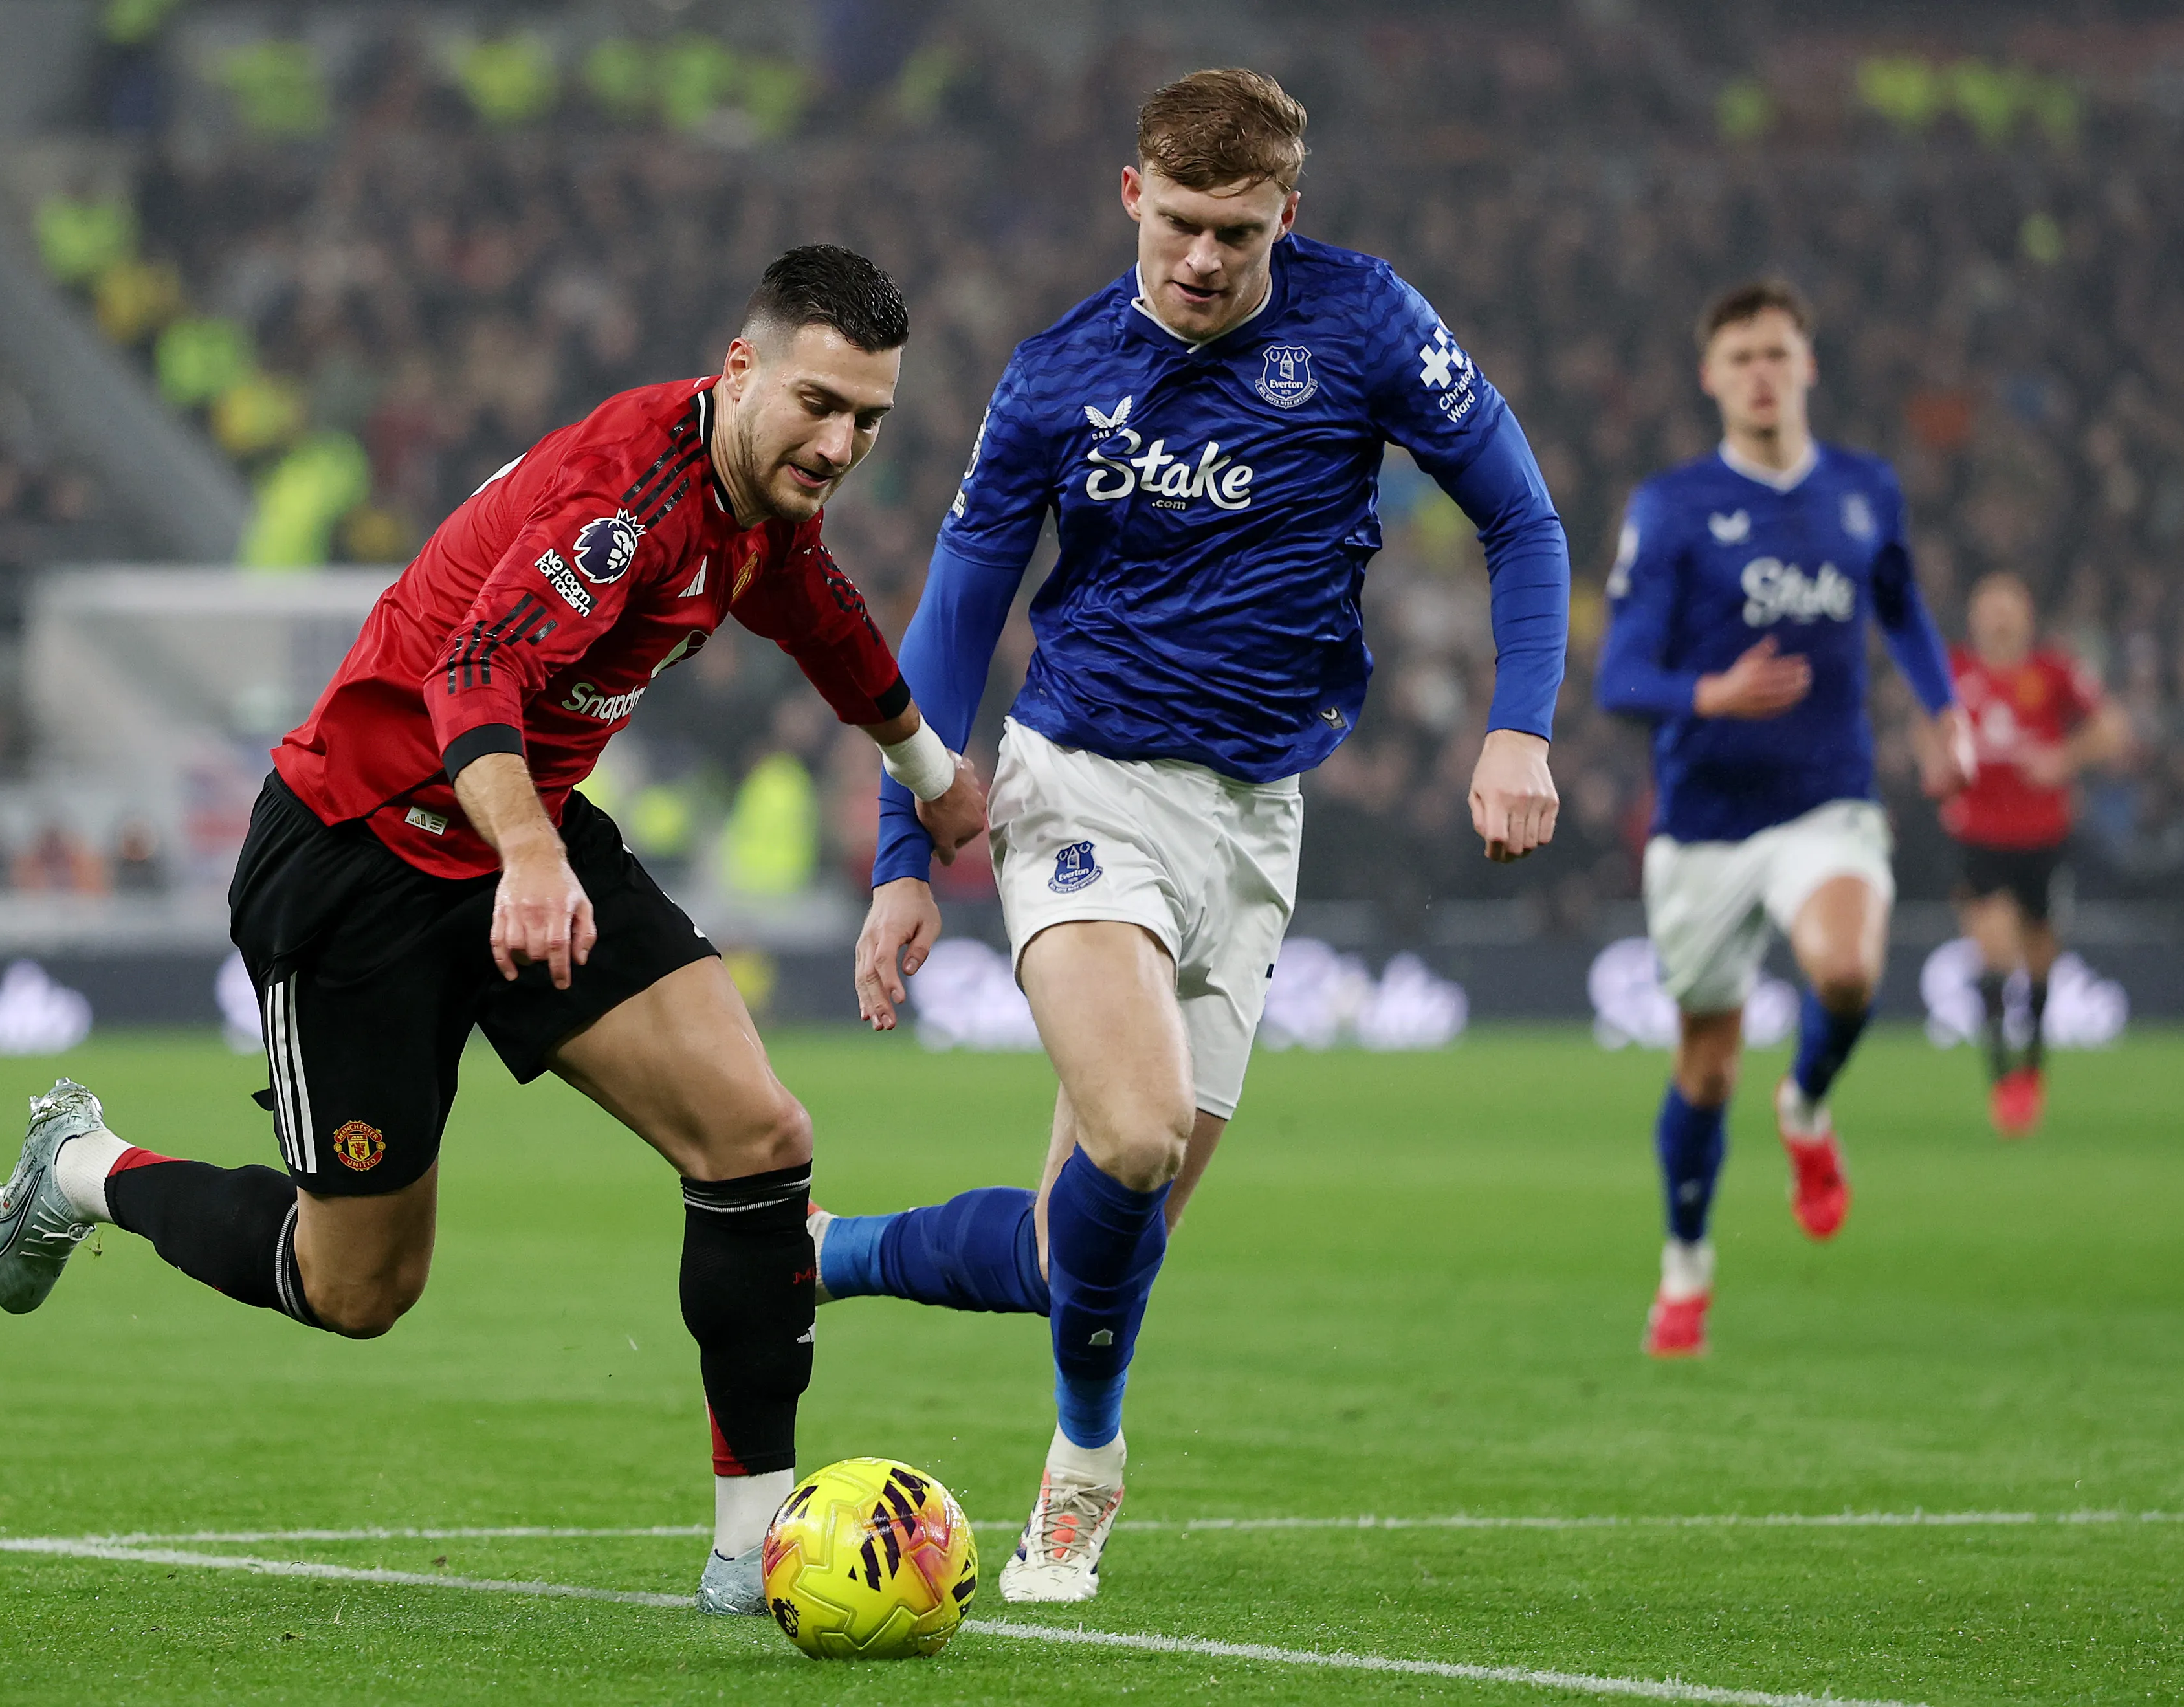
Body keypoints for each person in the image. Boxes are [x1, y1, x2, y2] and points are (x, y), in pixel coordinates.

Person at [0, 247, 986, 1614]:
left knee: (758, 1135)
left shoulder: (754, 502)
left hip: (527, 833)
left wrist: (926, 769)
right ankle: (86, 1164)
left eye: (866, 419)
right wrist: (523, 855)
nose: (839, 441)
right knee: (359, 1288)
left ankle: (753, 1546)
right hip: (361, 857)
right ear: (739, 367)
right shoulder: (625, 502)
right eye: (818, 402)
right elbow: (471, 668)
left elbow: (811, 608)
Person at [830, 69, 1571, 1603]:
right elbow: (958, 615)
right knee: (1140, 1127)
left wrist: (1521, 722)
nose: (1203, 260)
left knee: (1080, 1241)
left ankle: (819, 1250)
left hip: (1255, 823)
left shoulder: (1364, 326)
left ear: (1285, 214)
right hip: (1077, 784)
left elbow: (1523, 518)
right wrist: (907, 862)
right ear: (1130, 197)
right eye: (1178, 223)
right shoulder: (1053, 376)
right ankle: (1084, 1467)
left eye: (1237, 231)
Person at [1595, 278, 1970, 1360]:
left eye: (1776, 352)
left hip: (1827, 798)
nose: (1760, 372)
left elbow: (1899, 606)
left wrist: (1942, 710)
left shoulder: (1863, 491)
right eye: (1739, 357)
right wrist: (1706, 695)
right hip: (1704, 818)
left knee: (1846, 970)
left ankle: (1805, 1103)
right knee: (1705, 1064)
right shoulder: (1670, 507)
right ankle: (1685, 1262)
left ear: (1807, 365)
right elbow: (1622, 674)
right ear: (1711, 378)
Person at [1939, 571, 2130, 1137]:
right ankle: (2004, 1080)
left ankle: (2034, 1066)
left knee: (2040, 954)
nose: (1998, 617)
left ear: (2025, 615)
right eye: (1988, 606)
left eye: (2007, 606)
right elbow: (1926, 727)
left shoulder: (2054, 672)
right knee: (1993, 949)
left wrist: (2062, 759)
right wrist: (1939, 766)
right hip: (1978, 834)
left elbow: (2111, 728)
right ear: (1974, 617)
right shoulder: (1954, 671)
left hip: (2043, 836)